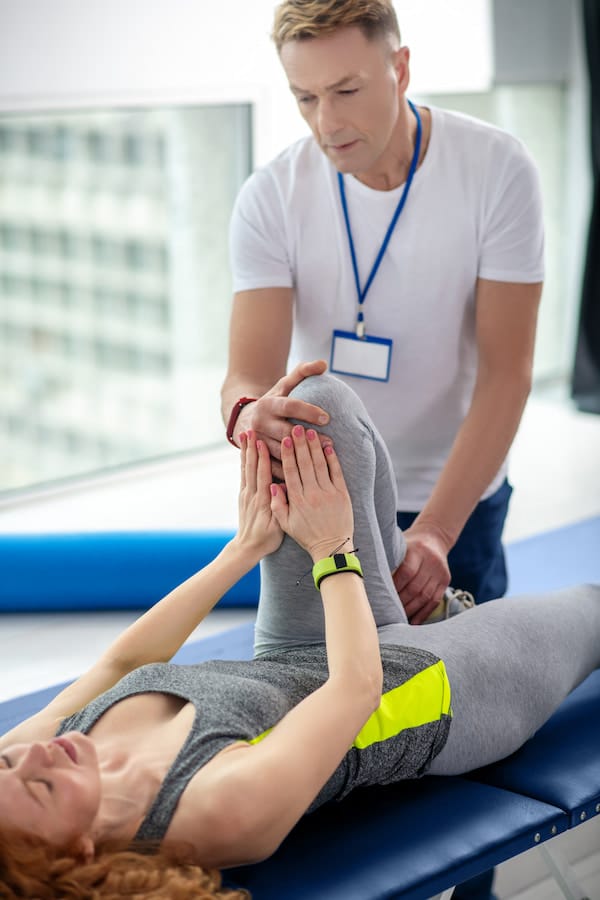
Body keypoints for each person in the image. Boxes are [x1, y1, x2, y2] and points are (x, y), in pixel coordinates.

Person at [1, 368, 598, 900]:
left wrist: (243, 549)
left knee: (312, 411)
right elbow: (356, 689)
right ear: (78, 854)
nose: (35, 755)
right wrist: (331, 548)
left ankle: (420, 598)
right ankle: (430, 617)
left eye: (7, 763)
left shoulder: (34, 754)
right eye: (43, 788)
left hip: (293, 646)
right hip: (419, 684)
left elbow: (121, 665)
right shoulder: (213, 812)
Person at [221, 0, 545, 628]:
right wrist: (246, 414)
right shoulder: (270, 197)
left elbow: (508, 374)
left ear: (400, 69)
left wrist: (437, 532)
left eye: (346, 90)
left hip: (458, 496)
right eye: (305, 97)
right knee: (328, 683)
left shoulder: (498, 169)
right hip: (328, 496)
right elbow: (247, 376)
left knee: (471, 684)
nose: (327, 122)